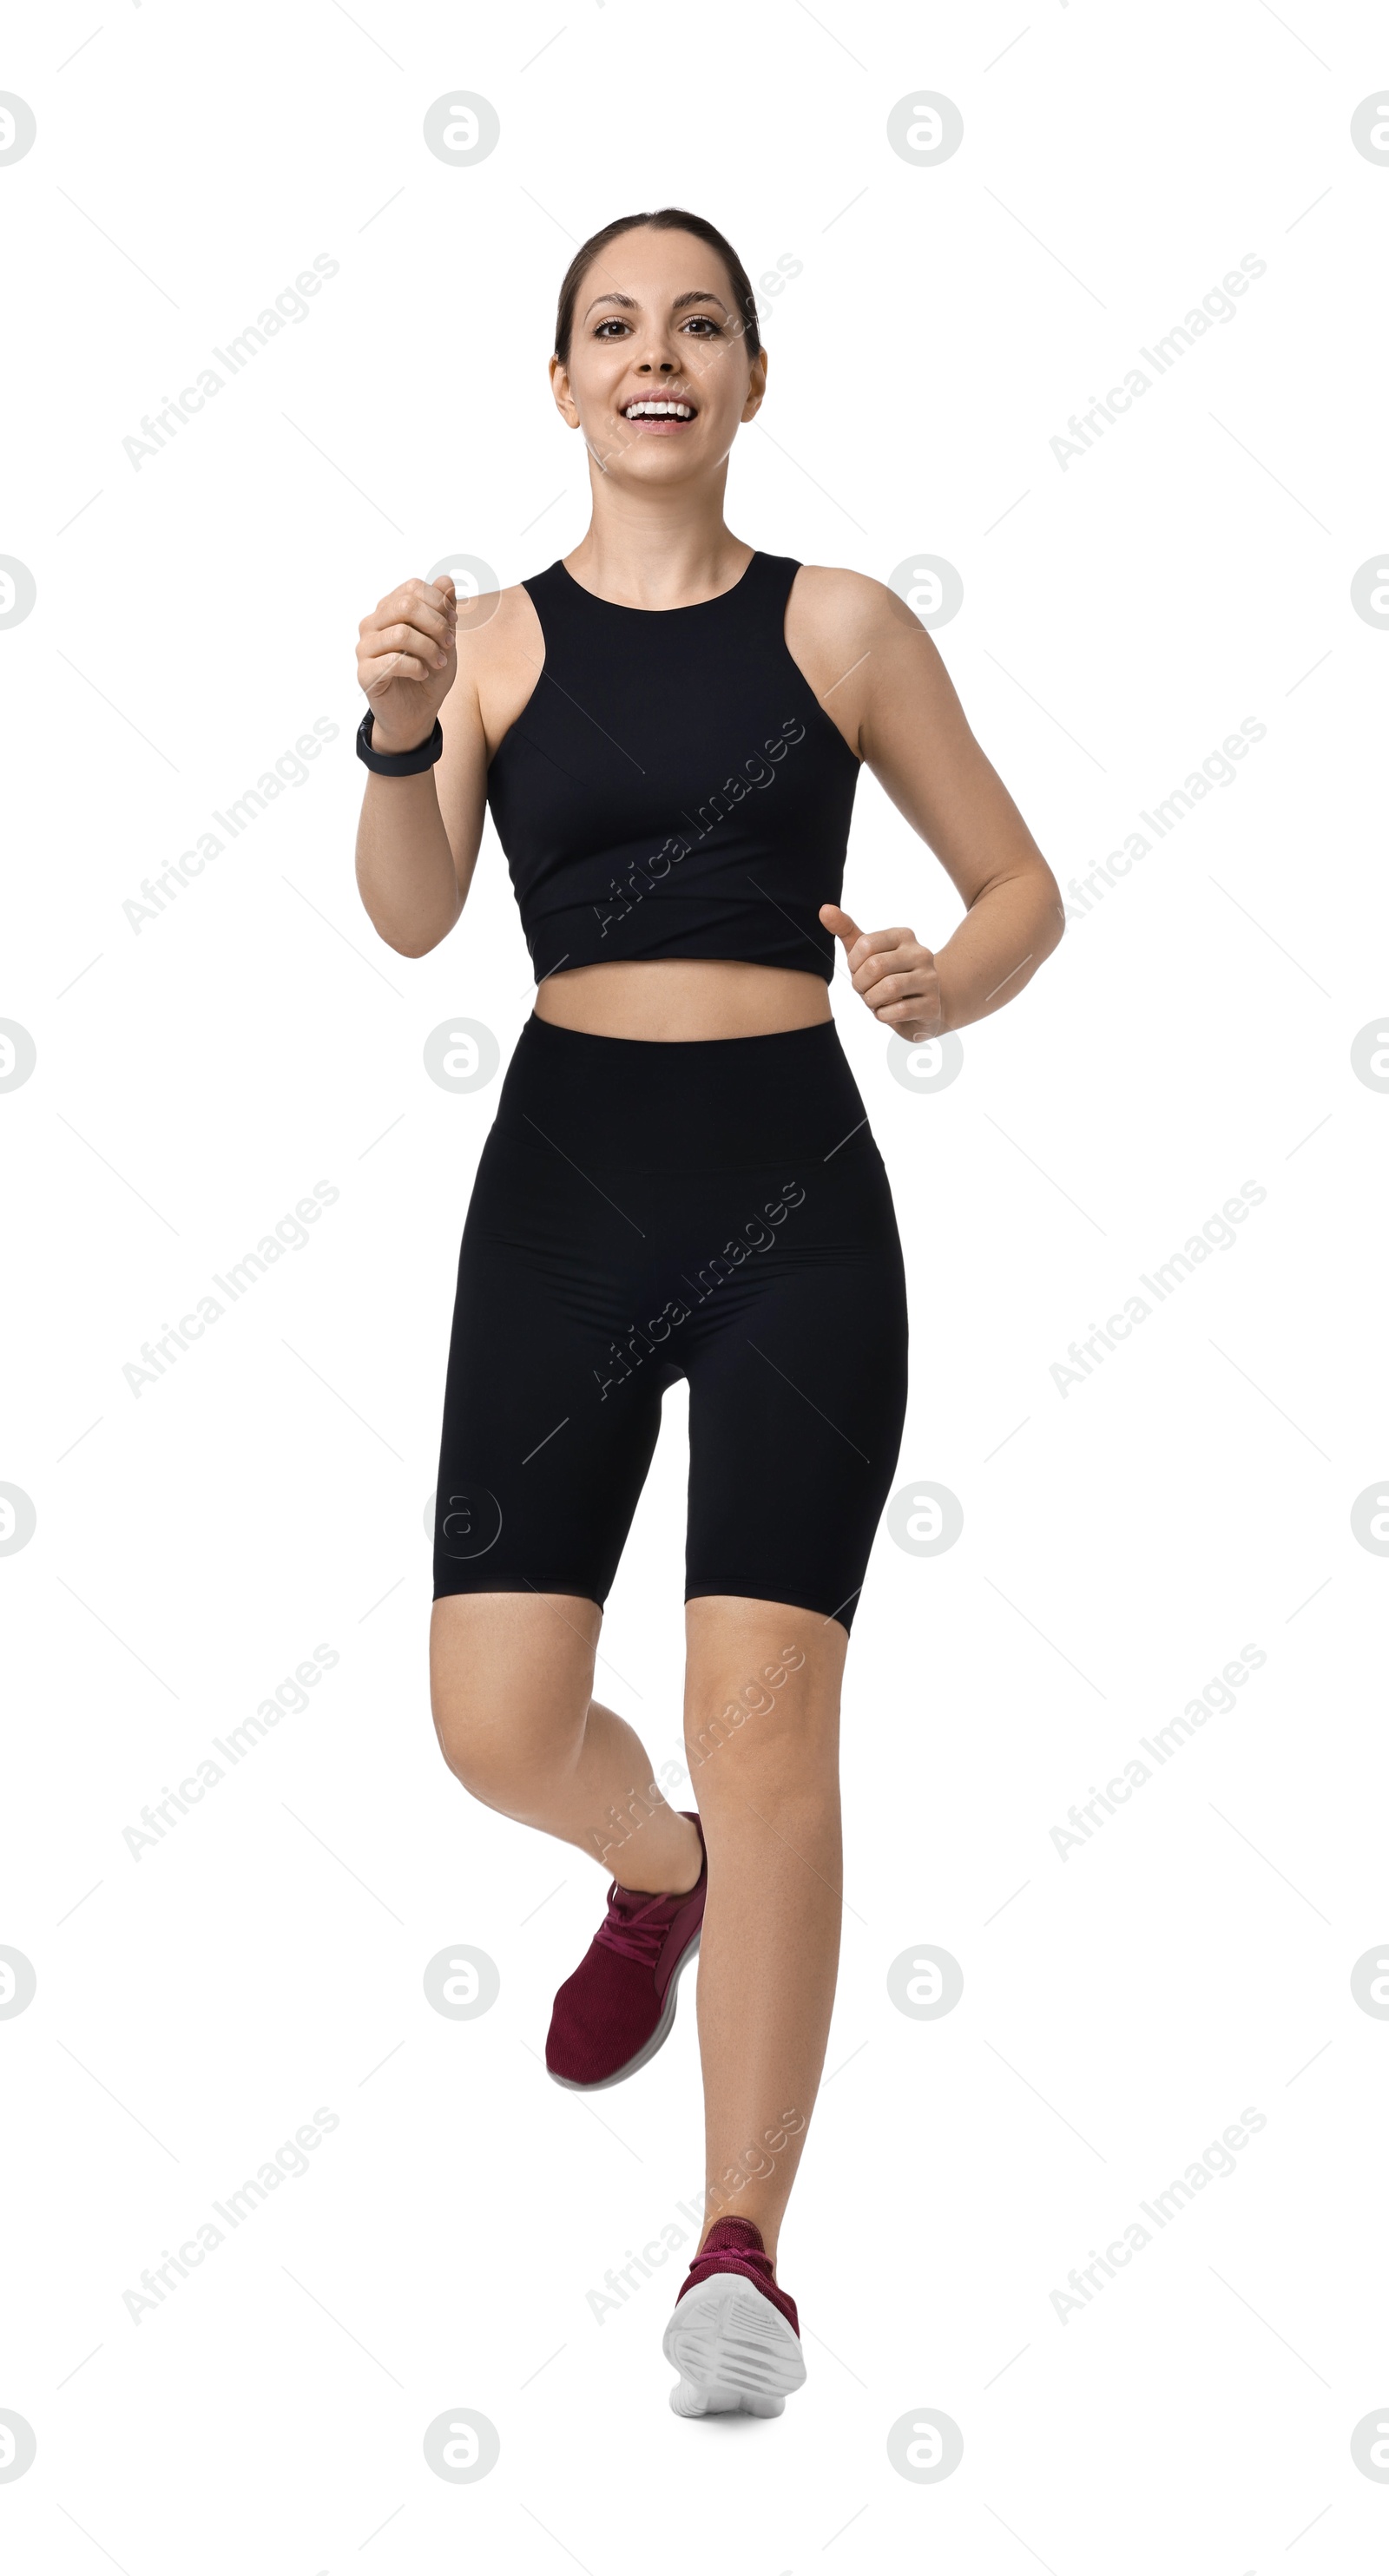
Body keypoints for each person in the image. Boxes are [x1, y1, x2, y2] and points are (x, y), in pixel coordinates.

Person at [352, 207, 1063, 2418]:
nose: (655, 354)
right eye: (610, 327)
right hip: (558, 1192)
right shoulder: (473, 644)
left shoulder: (841, 622)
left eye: (699, 324)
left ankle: (737, 2249)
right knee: (489, 1722)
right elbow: (405, 919)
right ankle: (641, 1868)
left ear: (752, 378)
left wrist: (959, 978)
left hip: (791, 1193)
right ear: (559, 388)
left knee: (770, 1725)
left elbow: (1019, 877)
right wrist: (392, 736)